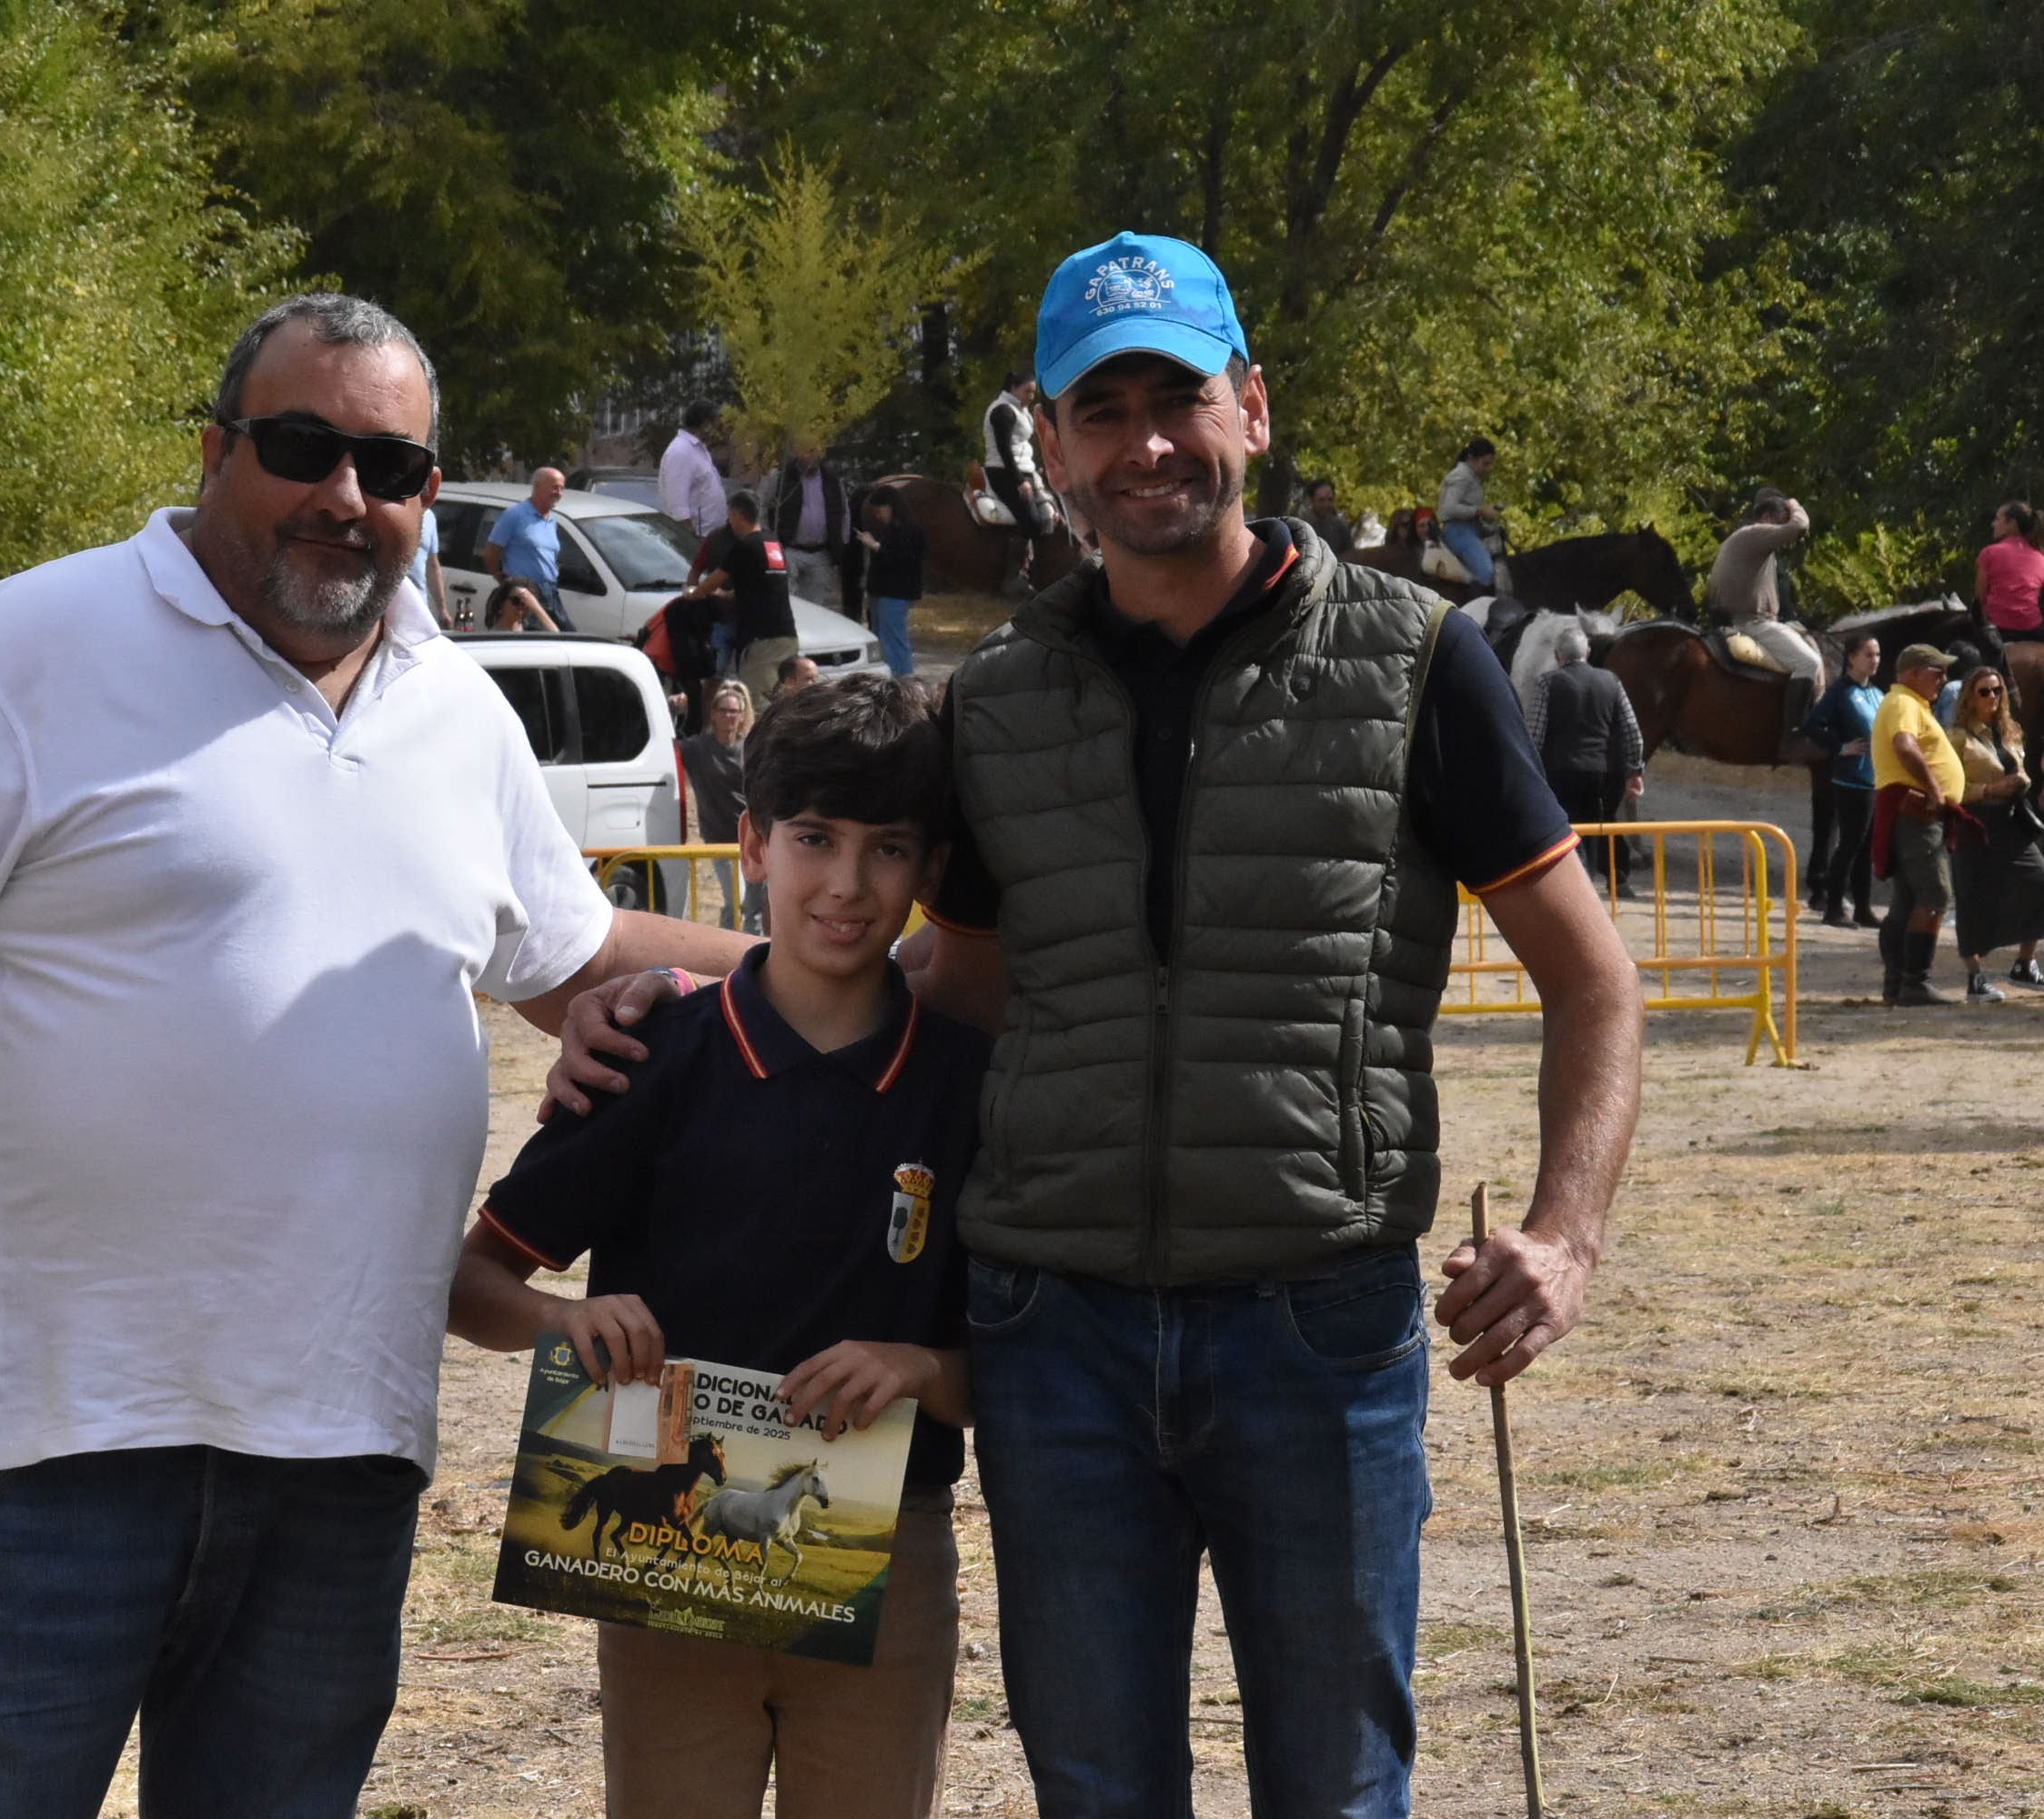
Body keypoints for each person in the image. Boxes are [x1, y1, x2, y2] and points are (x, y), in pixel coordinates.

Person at [541, 232, 1646, 1817]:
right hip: (1050, 1341)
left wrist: (1564, 1237)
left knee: (1335, 1794)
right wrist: (699, 1012)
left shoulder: (1418, 664)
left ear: (1250, 407)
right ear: (1047, 445)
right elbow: (936, 984)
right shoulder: (993, 703)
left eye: (1176, 398)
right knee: (1096, 1795)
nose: (1143, 443)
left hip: (1316, 1334)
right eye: (1099, 409)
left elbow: (1591, 978)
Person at [0, 292, 752, 1819]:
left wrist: (855, 970)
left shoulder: (457, 716)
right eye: (301, 447)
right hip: (47, 1449)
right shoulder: (29, 648)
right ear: (212, 450)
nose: (346, 496)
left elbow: (576, 960)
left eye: (391, 469)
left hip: (342, 1454)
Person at [448, 674, 985, 1819]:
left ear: (930, 869)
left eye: (887, 848)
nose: (845, 884)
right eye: (812, 838)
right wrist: (563, 1322)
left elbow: (1025, 1354)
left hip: (884, 1554)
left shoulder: (966, 1087)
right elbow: (471, 1280)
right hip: (664, 1552)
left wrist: (922, 1369)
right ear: (749, 843)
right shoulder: (649, 1058)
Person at [1872, 641, 1967, 1006]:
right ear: (1913, 672)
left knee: (1908, 900)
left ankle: (1898, 982)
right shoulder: (1903, 703)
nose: (1944, 678)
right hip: (1916, 813)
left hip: (1917, 812)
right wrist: (1933, 788)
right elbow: (1905, 745)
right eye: (1937, 671)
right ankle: (1914, 981)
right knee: (1935, 894)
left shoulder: (1909, 704)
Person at [1523, 622, 1646, 895]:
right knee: (1604, 824)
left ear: (1558, 656)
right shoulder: (1611, 682)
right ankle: (1619, 878)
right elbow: (1631, 731)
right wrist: (1634, 770)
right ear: (1588, 652)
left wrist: (1530, 772)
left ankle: (1577, 885)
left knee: (1566, 828)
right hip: (1603, 772)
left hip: (1560, 772)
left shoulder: (1548, 683)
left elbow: (1535, 733)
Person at [1945, 665, 2044, 999]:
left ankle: (2025, 963)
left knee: (2039, 882)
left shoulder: (2010, 730)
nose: (1993, 697)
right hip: (1975, 821)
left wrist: (2021, 782)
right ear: (1969, 698)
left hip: (2012, 820)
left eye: (1997, 690)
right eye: (1984, 691)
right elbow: (1951, 788)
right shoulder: (1957, 736)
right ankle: (1975, 977)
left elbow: (2022, 768)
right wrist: (1990, 790)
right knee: (1972, 898)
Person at [1707, 487, 1819, 735]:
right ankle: (1794, 734)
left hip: (1742, 620)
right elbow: (1800, 527)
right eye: (1779, 523)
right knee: (1809, 663)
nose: (1780, 532)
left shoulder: (1740, 539)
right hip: (1753, 623)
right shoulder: (1756, 534)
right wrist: (1793, 502)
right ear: (1768, 518)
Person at [681, 491, 800, 698]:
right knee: (781, 700)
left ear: (737, 514)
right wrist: (726, 595)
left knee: (757, 702)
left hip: (762, 640)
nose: (730, 519)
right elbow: (762, 586)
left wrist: (695, 593)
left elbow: (713, 581)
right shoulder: (772, 543)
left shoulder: (746, 545)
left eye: (730, 513)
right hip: (786, 636)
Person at [1803, 634, 1884, 928]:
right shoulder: (1840, 691)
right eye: (1868, 655)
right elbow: (1813, 724)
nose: (1874, 660)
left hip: (1874, 779)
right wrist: (1840, 747)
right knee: (1849, 844)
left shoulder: (1876, 693)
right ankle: (1834, 908)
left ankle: (1863, 907)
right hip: (1851, 780)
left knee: (1866, 848)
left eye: (1877, 655)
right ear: (1851, 657)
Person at [677, 680, 762, 931]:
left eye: (734, 712)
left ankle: (752, 952)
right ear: (713, 714)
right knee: (736, 901)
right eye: (723, 710)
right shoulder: (697, 748)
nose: (729, 716)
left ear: (742, 715)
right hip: (720, 838)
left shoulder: (751, 748)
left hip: (754, 836)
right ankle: (728, 956)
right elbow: (667, 749)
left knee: (755, 906)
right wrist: (674, 711)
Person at [483, 467, 572, 630]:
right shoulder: (515, 515)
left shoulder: (552, 520)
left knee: (565, 638)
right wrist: (505, 582)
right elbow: (490, 553)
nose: (558, 492)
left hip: (550, 592)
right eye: (554, 487)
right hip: (525, 593)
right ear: (537, 486)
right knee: (535, 642)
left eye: (561, 488)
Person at [856, 483, 929, 679]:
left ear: (890, 507)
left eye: (881, 510)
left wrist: (877, 547)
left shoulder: (908, 529)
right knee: (882, 639)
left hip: (896, 592)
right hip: (883, 591)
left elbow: (902, 560)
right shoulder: (892, 529)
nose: (879, 516)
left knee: (894, 640)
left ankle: (904, 680)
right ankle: (886, 678)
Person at [767, 447, 851, 616]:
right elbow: (764, 509)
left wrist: (840, 543)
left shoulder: (831, 480)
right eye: (806, 450)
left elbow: (843, 512)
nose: (810, 455)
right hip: (789, 550)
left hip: (821, 553)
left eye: (814, 450)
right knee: (788, 604)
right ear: (797, 452)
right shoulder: (781, 478)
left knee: (815, 609)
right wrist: (772, 548)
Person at [981, 371, 1056, 540]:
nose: (1031, 396)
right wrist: (1019, 481)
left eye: (1033, 393)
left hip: (1025, 472)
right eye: (1027, 391)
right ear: (1013, 388)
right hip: (1004, 473)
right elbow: (1004, 449)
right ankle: (1020, 561)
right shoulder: (1003, 410)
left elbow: (1024, 446)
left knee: (1050, 514)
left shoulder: (1022, 411)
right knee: (1033, 522)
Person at [1435, 437, 1505, 591]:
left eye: (1490, 463)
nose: (1489, 468)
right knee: (1486, 572)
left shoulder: (1471, 477)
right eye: (1485, 463)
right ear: (1472, 459)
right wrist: (1480, 510)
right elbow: (1447, 509)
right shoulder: (1462, 476)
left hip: (1469, 530)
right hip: (1458, 533)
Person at [660, 400, 731, 540]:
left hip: (711, 537)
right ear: (705, 424)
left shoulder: (698, 449)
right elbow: (677, 503)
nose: (717, 430)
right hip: (697, 538)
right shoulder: (681, 451)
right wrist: (689, 539)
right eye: (715, 424)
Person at [1975, 501, 2044, 642]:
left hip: (1999, 630)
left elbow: (1979, 600)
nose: (1993, 524)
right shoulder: (2040, 558)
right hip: (2034, 630)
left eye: (1997, 519)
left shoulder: (1989, 553)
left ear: (2011, 523)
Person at [408, 497, 450, 628]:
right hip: (390, 604)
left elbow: (432, 565)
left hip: (419, 604)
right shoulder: (394, 511)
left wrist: (442, 609)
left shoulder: (430, 517)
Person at [1297, 477, 1354, 556]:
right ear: (1311, 500)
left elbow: (1350, 558)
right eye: (1321, 500)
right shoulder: (1300, 528)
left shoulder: (1341, 528)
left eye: (1330, 500)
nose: (1326, 505)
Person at [482, 579, 559, 632]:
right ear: (502, 602)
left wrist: (537, 608)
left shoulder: (531, 632)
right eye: (516, 600)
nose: (521, 607)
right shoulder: (491, 637)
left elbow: (558, 641)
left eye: (526, 603)